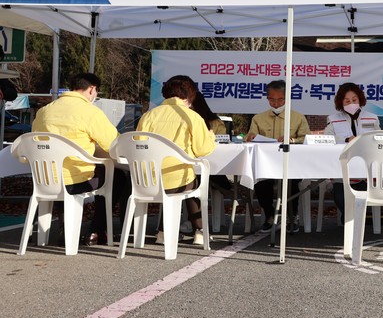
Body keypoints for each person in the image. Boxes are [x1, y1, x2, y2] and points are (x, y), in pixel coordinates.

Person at [31, 72, 130, 246]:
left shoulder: (45, 111)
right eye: (96, 92)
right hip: (76, 181)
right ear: (92, 89)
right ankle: (95, 230)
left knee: (61, 172)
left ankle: (64, 225)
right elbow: (114, 144)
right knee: (116, 176)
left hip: (44, 179)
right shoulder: (90, 112)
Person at [137, 75, 216, 245]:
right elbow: (203, 150)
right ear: (189, 95)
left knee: (172, 187)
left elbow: (139, 145)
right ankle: (200, 232)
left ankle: (163, 232)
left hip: (146, 180)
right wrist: (210, 137)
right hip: (177, 179)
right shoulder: (192, 117)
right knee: (193, 183)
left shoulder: (148, 116)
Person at [245, 79, 311, 233]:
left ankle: (292, 216)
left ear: (287, 98)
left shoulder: (298, 117)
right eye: (271, 99)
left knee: (292, 183)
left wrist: (292, 140)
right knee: (261, 182)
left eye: (280, 99)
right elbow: (250, 136)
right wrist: (250, 137)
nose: (275, 103)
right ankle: (269, 214)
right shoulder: (258, 118)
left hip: (290, 164)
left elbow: (307, 139)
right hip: (266, 163)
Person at [324, 82, 383, 222]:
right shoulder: (333, 119)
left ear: (360, 99)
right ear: (341, 102)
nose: (351, 103)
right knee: (341, 198)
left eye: (354, 100)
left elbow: (378, 140)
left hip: (366, 170)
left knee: (362, 200)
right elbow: (327, 139)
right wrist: (345, 139)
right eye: (347, 101)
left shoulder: (372, 118)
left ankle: (352, 224)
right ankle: (352, 223)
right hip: (343, 171)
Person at [188, 91, 235, 232]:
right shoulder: (181, 120)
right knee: (191, 177)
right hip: (187, 169)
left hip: (211, 166)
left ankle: (196, 224)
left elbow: (220, 146)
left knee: (197, 177)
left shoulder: (215, 123)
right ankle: (193, 223)